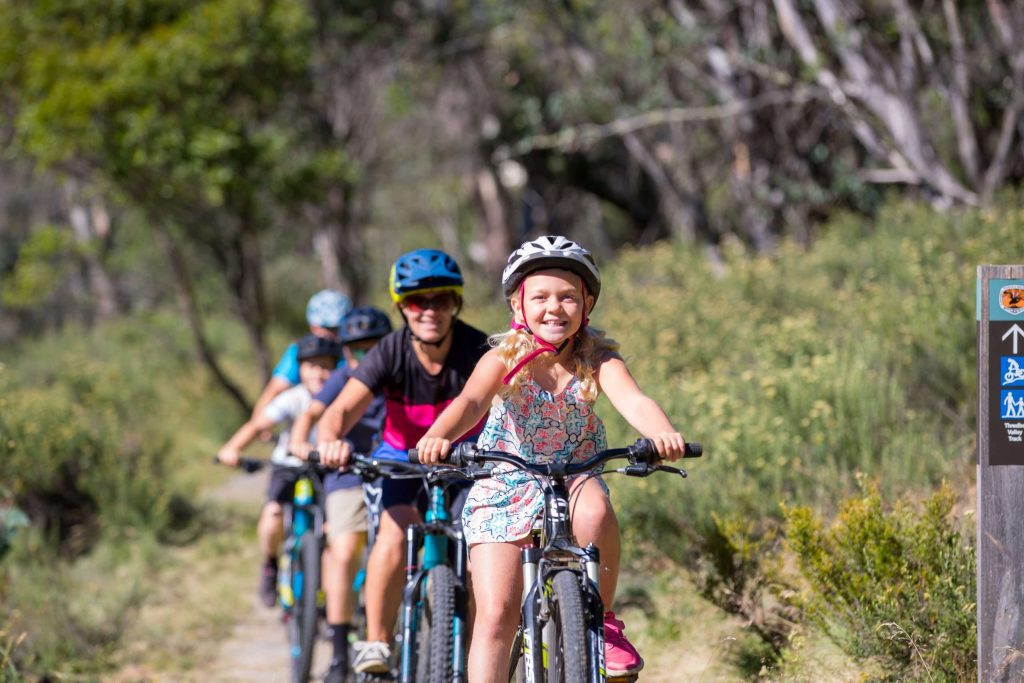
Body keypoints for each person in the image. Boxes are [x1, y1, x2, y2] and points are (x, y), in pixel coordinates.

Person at [414, 235, 688, 682]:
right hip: (505, 482)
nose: (553, 308)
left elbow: (635, 401)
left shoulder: (598, 360)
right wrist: (437, 437)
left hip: (573, 477)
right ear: (518, 308)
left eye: (567, 297)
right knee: (496, 615)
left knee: (597, 506)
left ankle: (604, 620)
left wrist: (661, 434)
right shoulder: (503, 357)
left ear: (587, 305)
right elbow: (470, 402)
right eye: (539, 297)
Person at [315, 249, 489, 675]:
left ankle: (477, 652)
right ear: (401, 307)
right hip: (401, 461)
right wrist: (329, 440)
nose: (429, 311)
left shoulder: (477, 348)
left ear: (456, 303)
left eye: (441, 300)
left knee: (478, 556)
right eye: (416, 301)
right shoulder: (389, 351)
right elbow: (339, 411)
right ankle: (375, 640)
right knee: (393, 536)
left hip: (465, 460)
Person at [289, 306, 392, 682]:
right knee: (345, 551)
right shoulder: (344, 377)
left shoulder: (401, 371)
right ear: (345, 352)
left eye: (374, 348)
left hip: (398, 471)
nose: (365, 357)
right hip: (347, 474)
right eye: (356, 350)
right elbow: (312, 412)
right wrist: (302, 443)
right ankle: (338, 653)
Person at [217, 333, 341, 607]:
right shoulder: (292, 398)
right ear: (300, 370)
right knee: (273, 511)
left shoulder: (341, 397)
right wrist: (232, 449)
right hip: (289, 466)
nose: (319, 373)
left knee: (333, 528)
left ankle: (328, 593)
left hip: (326, 468)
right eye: (311, 366)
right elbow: (258, 425)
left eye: (326, 366)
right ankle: (270, 564)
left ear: (336, 368)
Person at [250, 289, 352, 422]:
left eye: (336, 329)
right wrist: (257, 422)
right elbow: (276, 388)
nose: (332, 335)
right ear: (313, 327)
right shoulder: (299, 351)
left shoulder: (353, 352)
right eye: (327, 329)